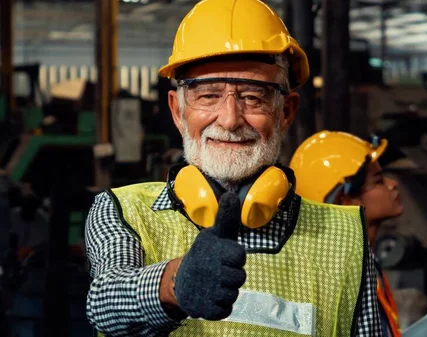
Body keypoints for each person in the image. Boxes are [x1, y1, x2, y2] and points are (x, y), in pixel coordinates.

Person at [84, 0, 383, 336]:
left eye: (253, 97)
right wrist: (172, 285)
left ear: (286, 112)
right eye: (209, 96)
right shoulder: (126, 212)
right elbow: (103, 301)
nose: (229, 119)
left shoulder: (345, 236)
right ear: (178, 111)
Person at [289, 131, 405, 337]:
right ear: (346, 201)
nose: (392, 184)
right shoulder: (332, 279)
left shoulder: (361, 258)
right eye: (378, 181)